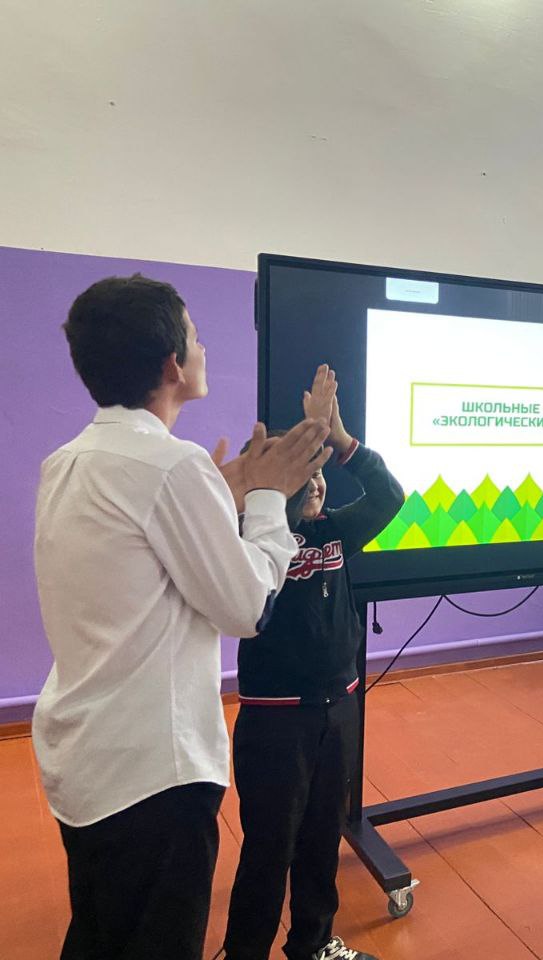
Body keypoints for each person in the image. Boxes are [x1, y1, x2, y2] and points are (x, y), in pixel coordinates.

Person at [33, 274, 334, 960]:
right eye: (196, 338)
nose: (203, 349)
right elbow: (247, 607)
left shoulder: (69, 461)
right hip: (153, 773)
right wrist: (268, 500)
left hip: (86, 759)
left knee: (103, 932)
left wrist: (221, 500)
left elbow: (141, 567)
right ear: (172, 365)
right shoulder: (171, 466)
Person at [221, 371, 404, 960]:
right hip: (276, 721)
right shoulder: (249, 541)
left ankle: (314, 944)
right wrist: (260, 495)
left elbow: (389, 496)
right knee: (269, 849)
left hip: (338, 709)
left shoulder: (335, 531)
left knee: (323, 839)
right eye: (304, 472)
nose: (318, 482)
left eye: (320, 470)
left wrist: (344, 441)